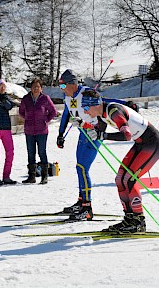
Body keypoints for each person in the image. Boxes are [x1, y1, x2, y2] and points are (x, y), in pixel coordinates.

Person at [71, 89, 159, 232]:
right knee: (120, 178)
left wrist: (103, 136)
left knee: (129, 179)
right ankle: (129, 219)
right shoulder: (102, 114)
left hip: (152, 144)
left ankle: (139, 221)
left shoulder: (113, 111)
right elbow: (98, 130)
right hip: (141, 143)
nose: (85, 111)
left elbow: (126, 135)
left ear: (95, 104)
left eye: (85, 107)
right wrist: (83, 123)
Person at [56, 69, 102, 219]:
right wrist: (61, 134)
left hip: (94, 134)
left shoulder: (88, 94)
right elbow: (66, 114)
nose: (62, 90)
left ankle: (87, 208)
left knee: (83, 168)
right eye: (60, 86)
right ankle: (81, 201)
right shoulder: (68, 96)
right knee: (79, 167)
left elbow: (103, 111)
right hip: (83, 133)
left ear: (73, 84)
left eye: (63, 86)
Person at [19, 78, 57, 185]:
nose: (36, 89)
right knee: (31, 153)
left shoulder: (45, 98)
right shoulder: (26, 99)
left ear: (41, 88)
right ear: (30, 88)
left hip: (42, 130)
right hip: (29, 130)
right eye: (34, 87)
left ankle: (44, 176)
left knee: (42, 152)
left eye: (38, 87)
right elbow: (21, 111)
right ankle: (32, 176)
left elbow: (53, 112)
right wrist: (27, 118)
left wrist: (45, 120)